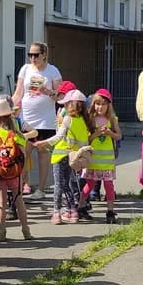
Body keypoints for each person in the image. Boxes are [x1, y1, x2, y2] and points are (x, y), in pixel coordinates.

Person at [12, 42, 64, 195]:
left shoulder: (52, 70)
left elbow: (60, 96)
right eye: (30, 55)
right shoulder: (26, 69)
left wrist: (47, 91)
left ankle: (41, 189)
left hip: (45, 120)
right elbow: (18, 92)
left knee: (43, 154)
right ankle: (21, 185)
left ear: (44, 55)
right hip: (27, 118)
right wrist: (9, 106)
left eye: (36, 55)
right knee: (22, 154)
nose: (32, 58)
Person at [38, 89, 91, 224]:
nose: (65, 106)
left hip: (60, 154)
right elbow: (84, 142)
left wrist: (43, 142)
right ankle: (73, 211)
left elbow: (59, 137)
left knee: (58, 185)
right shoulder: (84, 122)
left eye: (66, 104)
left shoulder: (68, 119)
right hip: (73, 156)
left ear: (71, 105)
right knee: (67, 183)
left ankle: (56, 212)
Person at [0, 98, 33, 241]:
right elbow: (23, 154)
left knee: (1, 202)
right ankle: (26, 231)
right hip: (15, 173)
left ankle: (1, 232)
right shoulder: (17, 135)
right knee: (19, 201)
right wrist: (23, 173)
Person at [82, 88, 121, 224]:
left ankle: (110, 211)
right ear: (93, 104)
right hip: (93, 160)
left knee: (109, 185)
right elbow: (86, 139)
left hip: (107, 161)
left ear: (108, 105)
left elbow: (119, 136)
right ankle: (81, 205)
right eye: (97, 104)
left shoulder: (112, 119)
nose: (100, 107)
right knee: (90, 184)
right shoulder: (90, 119)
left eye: (103, 104)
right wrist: (96, 134)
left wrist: (110, 133)